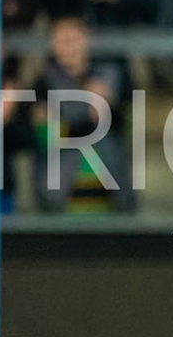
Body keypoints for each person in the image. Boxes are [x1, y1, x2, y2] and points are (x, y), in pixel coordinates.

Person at [31, 15, 133, 213]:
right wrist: (89, 117)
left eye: (74, 39)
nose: (69, 46)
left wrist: (107, 107)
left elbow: (127, 124)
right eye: (62, 40)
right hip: (62, 196)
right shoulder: (42, 84)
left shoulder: (111, 78)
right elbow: (46, 136)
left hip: (110, 196)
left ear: (87, 40)